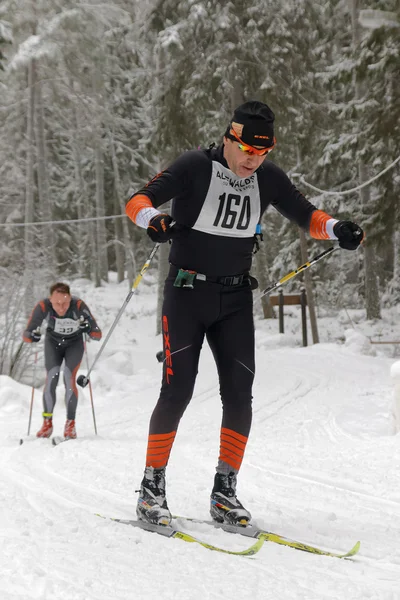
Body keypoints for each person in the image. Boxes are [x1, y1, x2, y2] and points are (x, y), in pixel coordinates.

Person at [125, 100, 364, 527]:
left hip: (234, 301)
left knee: (239, 396)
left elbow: (306, 214)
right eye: (248, 150)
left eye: (263, 152)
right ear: (229, 138)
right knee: (177, 392)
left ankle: (224, 492)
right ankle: (151, 488)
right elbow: (138, 199)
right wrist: (153, 219)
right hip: (186, 295)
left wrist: (336, 228)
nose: (254, 160)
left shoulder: (267, 178)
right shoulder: (194, 166)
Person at [23, 282, 102, 439]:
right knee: (52, 377)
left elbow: (97, 334)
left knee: (68, 376)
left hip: (74, 344)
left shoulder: (78, 305)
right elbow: (27, 334)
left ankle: (70, 424)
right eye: (57, 303)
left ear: (70, 298)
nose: (61, 308)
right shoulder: (43, 306)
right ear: (50, 300)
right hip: (53, 344)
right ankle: (47, 423)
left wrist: (88, 328)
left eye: (64, 303)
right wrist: (33, 335)